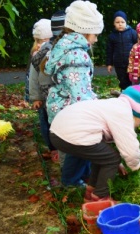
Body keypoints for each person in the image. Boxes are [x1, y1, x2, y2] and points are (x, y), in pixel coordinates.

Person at [49, 85, 140, 202]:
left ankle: (91, 191)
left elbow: (102, 145)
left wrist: (117, 165)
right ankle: (100, 197)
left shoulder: (112, 106)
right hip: (70, 134)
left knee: (103, 157)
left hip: (58, 132)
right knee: (112, 159)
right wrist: (135, 167)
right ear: (137, 114)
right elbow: (130, 148)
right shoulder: (124, 113)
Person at [43, 0, 104, 188]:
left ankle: (83, 176)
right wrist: (97, 110)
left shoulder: (62, 46)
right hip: (72, 110)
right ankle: (71, 183)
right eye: (95, 34)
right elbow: (79, 93)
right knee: (80, 147)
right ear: (85, 31)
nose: (96, 39)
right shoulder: (77, 55)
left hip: (62, 106)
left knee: (77, 148)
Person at [29, 12, 66, 163]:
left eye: (43, 40)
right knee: (48, 124)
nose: (40, 44)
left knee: (57, 124)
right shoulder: (40, 53)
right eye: (37, 40)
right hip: (45, 96)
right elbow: (32, 77)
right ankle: (54, 149)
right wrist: (36, 97)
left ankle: (60, 150)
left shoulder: (60, 49)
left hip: (58, 96)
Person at [106, 10, 138, 91]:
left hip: (131, 62)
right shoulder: (112, 36)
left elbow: (138, 45)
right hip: (118, 63)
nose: (120, 24)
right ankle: (124, 94)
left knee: (132, 79)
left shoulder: (132, 33)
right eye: (117, 22)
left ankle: (133, 95)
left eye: (122, 22)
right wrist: (109, 63)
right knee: (122, 80)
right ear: (114, 23)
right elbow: (109, 50)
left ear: (126, 22)